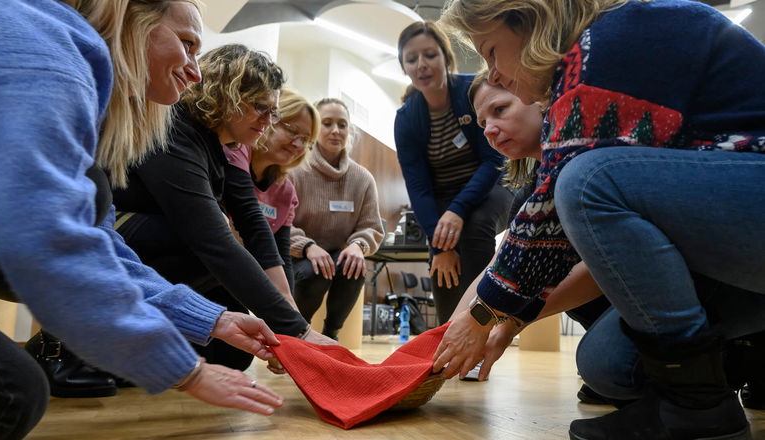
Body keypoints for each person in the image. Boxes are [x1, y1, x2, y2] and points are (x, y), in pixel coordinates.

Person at [435, 0, 765, 439]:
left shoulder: (613, 39)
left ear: (529, 21)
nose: (492, 72)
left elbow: (542, 232)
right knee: (608, 366)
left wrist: (483, 317)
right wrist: (468, 324)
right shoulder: (593, 57)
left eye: (492, 51)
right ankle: (711, 382)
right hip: (734, 238)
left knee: (585, 183)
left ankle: (697, 407)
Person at [0, 1, 286, 438]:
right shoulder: (49, 58)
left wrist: (213, 320)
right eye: (186, 44)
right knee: (9, 393)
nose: (195, 70)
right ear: (133, 17)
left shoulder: (76, 71)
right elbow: (46, 239)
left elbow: (99, 241)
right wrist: (187, 372)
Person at [113, 44, 334, 371]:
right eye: (260, 107)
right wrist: (296, 329)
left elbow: (256, 229)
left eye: (273, 112)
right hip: (114, 237)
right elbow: (213, 241)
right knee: (207, 245)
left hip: (158, 243)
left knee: (236, 357)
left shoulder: (220, 146)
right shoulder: (175, 129)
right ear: (225, 94)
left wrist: (287, 321)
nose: (267, 121)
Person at [394, 21, 515, 326]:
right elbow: (418, 187)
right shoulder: (407, 118)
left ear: (446, 57)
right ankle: (448, 331)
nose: (422, 65)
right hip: (443, 199)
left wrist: (458, 210)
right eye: (412, 59)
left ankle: (478, 326)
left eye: (429, 55)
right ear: (405, 68)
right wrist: (439, 246)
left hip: (490, 188)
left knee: (475, 227)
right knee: (442, 261)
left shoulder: (470, 91)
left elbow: (493, 161)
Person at [289, 98, 384, 340]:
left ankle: (332, 335)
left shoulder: (362, 178)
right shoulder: (294, 170)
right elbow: (279, 224)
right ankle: (299, 332)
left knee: (354, 267)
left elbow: (371, 227)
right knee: (316, 271)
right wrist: (307, 246)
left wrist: (358, 245)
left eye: (342, 125)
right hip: (297, 258)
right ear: (314, 129)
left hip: (337, 256)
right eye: (327, 123)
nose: (335, 131)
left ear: (349, 132)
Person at [223, 88, 320, 293]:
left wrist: (291, 311)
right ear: (269, 118)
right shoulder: (235, 151)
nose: (298, 144)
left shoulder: (286, 191)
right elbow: (250, 221)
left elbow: (281, 255)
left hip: (239, 275)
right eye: (293, 131)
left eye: (306, 140)